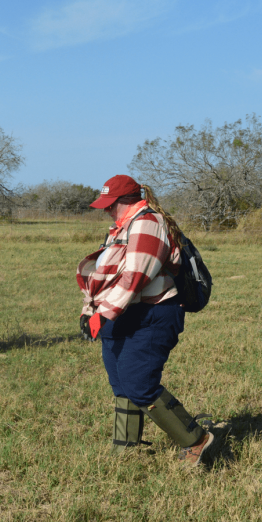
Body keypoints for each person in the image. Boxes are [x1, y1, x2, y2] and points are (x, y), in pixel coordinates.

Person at [78, 174, 214, 467]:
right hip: (124, 312)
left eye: (110, 205)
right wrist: (88, 310)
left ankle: (196, 440)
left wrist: (104, 314)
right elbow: (108, 277)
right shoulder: (120, 228)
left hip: (153, 314)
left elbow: (136, 277)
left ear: (127, 200)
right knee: (120, 383)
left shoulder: (147, 223)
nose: (105, 211)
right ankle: (126, 447)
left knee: (138, 382)